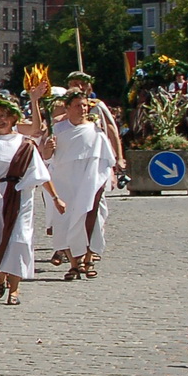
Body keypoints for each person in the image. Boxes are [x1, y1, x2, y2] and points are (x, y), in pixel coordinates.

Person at [0, 96, 64, 306]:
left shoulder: (25, 144)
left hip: (19, 195)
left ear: (14, 118)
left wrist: (55, 198)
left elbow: (40, 173)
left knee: (19, 239)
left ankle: (14, 288)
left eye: (4, 116)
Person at [48, 91, 115, 280]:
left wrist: (108, 177)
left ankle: (88, 260)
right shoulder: (58, 130)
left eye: (85, 105)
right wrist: (47, 149)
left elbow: (105, 158)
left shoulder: (95, 130)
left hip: (89, 180)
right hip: (64, 180)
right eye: (78, 105)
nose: (83, 109)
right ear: (67, 108)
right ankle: (74, 264)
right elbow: (46, 157)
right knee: (65, 221)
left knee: (89, 219)